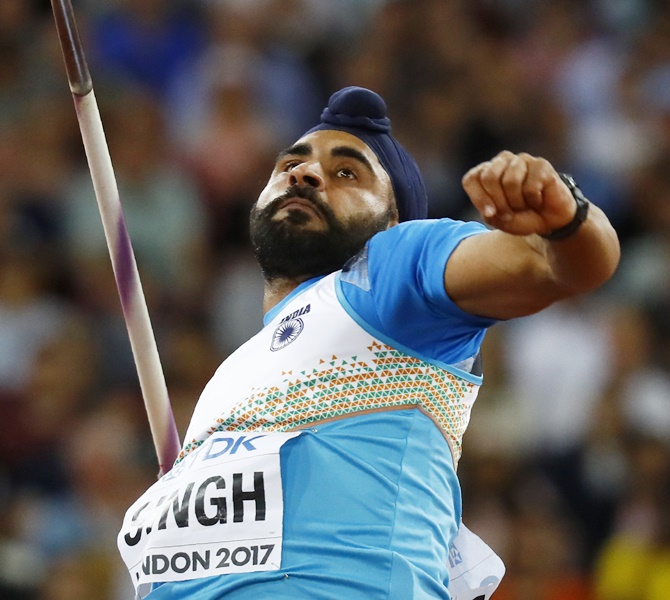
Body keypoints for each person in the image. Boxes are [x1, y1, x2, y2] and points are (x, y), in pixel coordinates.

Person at [117, 86, 620, 599]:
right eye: (290, 163)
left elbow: (558, 266)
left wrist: (566, 219)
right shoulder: (231, 375)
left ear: (394, 219)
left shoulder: (386, 273)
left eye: (346, 173)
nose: (304, 173)